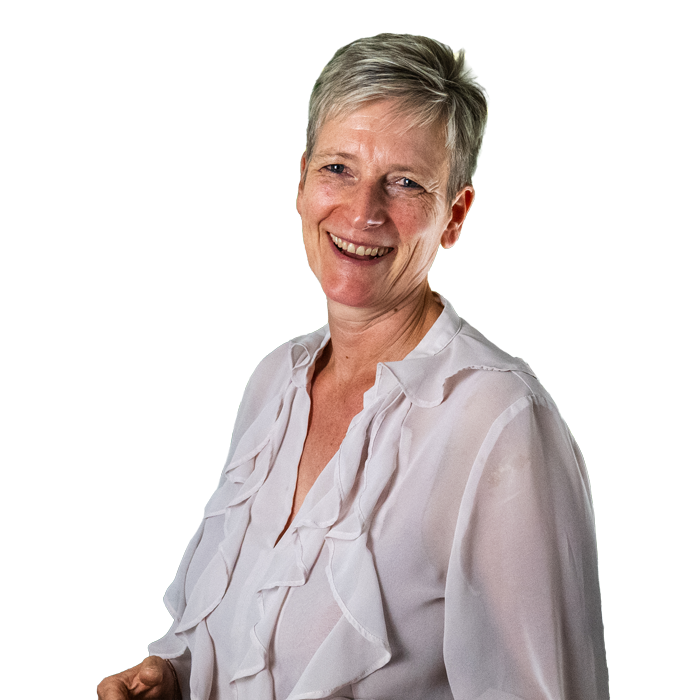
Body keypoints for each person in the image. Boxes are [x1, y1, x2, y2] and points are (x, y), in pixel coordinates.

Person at [98, 34, 609, 700]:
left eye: (405, 182)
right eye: (339, 168)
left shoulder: (498, 420)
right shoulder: (276, 382)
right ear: (303, 181)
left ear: (453, 216)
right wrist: (175, 675)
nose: (363, 211)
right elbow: (253, 627)